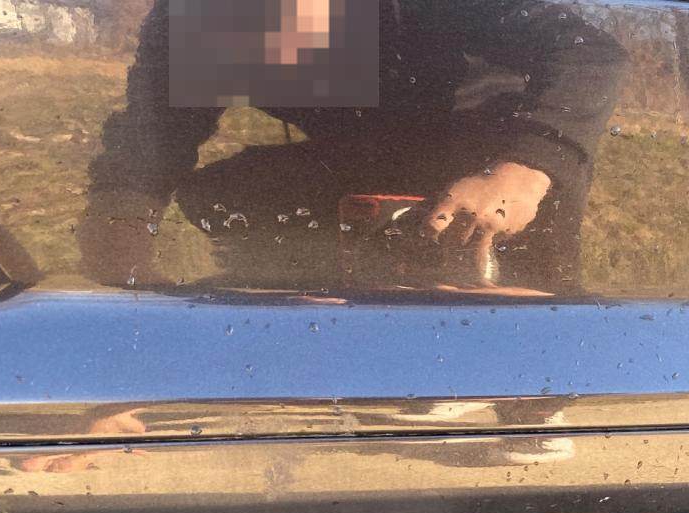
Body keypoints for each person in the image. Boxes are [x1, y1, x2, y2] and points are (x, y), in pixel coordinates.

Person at [79, 0, 627, 295]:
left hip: (490, 148)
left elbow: (590, 55)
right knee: (225, 192)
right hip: (356, 157)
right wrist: (121, 233)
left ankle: (534, 384)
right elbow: (154, 133)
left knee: (515, 222)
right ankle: (323, 324)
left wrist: (526, 167)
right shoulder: (196, 18)